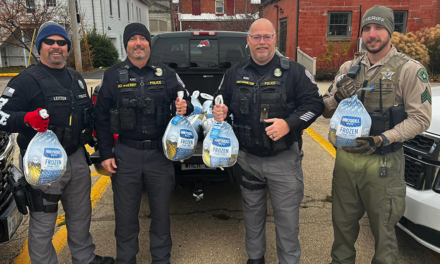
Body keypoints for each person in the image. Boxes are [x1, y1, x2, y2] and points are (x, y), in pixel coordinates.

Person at [322, 5, 432, 264]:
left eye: (379, 28)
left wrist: (384, 138)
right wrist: (337, 96)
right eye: (367, 28)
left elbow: (421, 119)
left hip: (384, 164)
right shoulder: (349, 67)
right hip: (347, 162)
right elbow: (326, 110)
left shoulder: (409, 70)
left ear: (390, 32)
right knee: (342, 227)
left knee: (384, 233)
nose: (372, 34)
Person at [0, 21, 114, 264]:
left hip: (76, 158)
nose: (55, 47)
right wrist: (26, 119)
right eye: (49, 42)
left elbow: (85, 114)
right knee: (43, 222)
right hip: (43, 163)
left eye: (61, 43)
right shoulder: (25, 81)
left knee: (81, 215)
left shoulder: (76, 78)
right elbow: (1, 117)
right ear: (40, 47)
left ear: (68, 48)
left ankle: (85, 258)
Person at [213, 18, 325, 264]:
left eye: (266, 37)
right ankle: (255, 258)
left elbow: (315, 104)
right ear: (248, 41)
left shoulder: (294, 72)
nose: (261, 42)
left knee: (287, 219)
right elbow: (220, 99)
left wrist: (290, 124)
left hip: (283, 161)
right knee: (252, 215)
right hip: (248, 159)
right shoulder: (235, 72)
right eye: (256, 37)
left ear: (275, 39)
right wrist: (219, 110)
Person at [94, 23, 192, 264]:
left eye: (143, 39)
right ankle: (126, 259)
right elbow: (102, 117)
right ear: (126, 44)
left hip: (160, 155)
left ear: (149, 43)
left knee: (160, 214)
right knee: (125, 216)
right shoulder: (113, 75)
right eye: (133, 39)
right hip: (126, 153)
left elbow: (186, 99)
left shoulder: (166, 73)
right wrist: (106, 152)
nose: (138, 43)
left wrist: (185, 106)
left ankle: (161, 259)